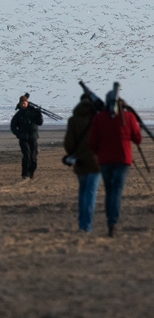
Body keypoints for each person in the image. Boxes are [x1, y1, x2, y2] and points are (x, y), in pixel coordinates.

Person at [88, 91, 141, 237]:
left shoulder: (99, 118)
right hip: (122, 160)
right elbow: (137, 139)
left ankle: (110, 221)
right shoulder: (128, 117)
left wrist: (99, 151)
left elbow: (92, 142)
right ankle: (113, 222)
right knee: (116, 191)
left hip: (105, 160)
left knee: (109, 191)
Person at [64, 94, 101, 232]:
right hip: (95, 162)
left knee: (82, 191)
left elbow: (68, 143)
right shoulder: (97, 119)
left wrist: (72, 154)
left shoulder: (73, 120)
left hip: (79, 162)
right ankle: (87, 225)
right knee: (91, 193)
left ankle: (82, 223)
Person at [11, 95, 44, 179]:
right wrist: (18, 134)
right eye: (21, 103)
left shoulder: (33, 112)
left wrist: (39, 114)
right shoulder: (18, 114)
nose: (23, 104)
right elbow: (13, 126)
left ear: (27, 103)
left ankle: (32, 172)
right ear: (20, 104)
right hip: (23, 138)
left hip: (33, 137)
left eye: (24, 103)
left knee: (33, 158)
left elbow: (40, 123)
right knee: (26, 156)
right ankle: (25, 174)